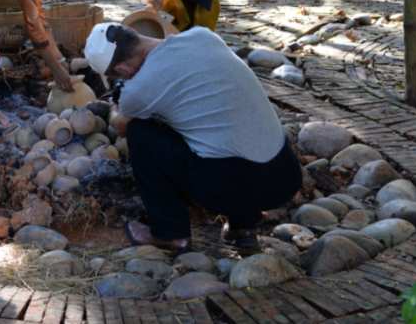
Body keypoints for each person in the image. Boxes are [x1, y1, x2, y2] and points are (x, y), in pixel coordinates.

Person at [84, 21, 301, 255]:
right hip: (285, 177)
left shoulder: (139, 89)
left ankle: (170, 233)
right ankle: (243, 226)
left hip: (233, 189)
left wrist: (115, 105)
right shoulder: (203, 35)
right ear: (135, 33)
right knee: (215, 123)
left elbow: (120, 124)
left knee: (141, 132)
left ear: (124, 70)